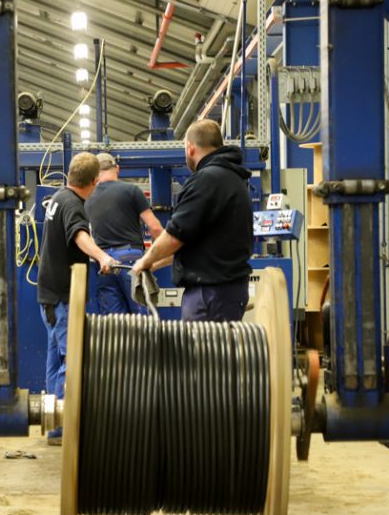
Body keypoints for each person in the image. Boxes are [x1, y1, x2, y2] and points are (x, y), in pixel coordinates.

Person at [132, 119, 252, 321]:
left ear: (189, 148)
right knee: (219, 352)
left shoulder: (206, 180)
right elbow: (198, 243)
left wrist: (144, 261)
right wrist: (154, 264)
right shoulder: (233, 178)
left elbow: (175, 236)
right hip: (226, 291)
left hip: (210, 295)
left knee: (203, 352)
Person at [37, 152, 114, 442]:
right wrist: (102, 256)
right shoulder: (75, 205)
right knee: (71, 360)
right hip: (62, 296)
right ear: (94, 182)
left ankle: (55, 423)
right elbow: (80, 235)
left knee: (56, 360)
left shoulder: (57, 197)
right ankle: (62, 427)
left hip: (49, 293)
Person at [85, 152, 163, 314]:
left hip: (104, 264)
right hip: (130, 260)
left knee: (115, 325)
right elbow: (154, 228)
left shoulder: (88, 199)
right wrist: (162, 254)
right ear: (117, 169)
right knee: (141, 319)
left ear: (96, 174)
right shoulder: (131, 190)